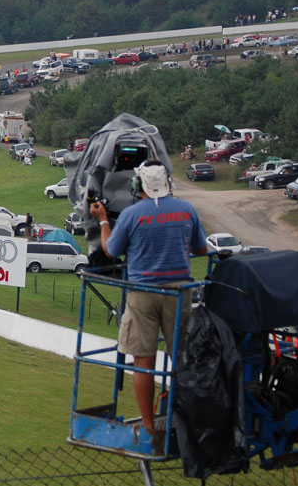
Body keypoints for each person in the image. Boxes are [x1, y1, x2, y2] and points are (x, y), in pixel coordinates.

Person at [88, 160, 208, 450]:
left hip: (142, 293)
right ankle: (183, 418)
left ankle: (150, 428)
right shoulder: (186, 210)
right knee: (180, 359)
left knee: (143, 363)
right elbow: (201, 248)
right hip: (179, 293)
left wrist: (103, 221)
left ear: (137, 185)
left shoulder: (131, 214)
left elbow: (112, 250)